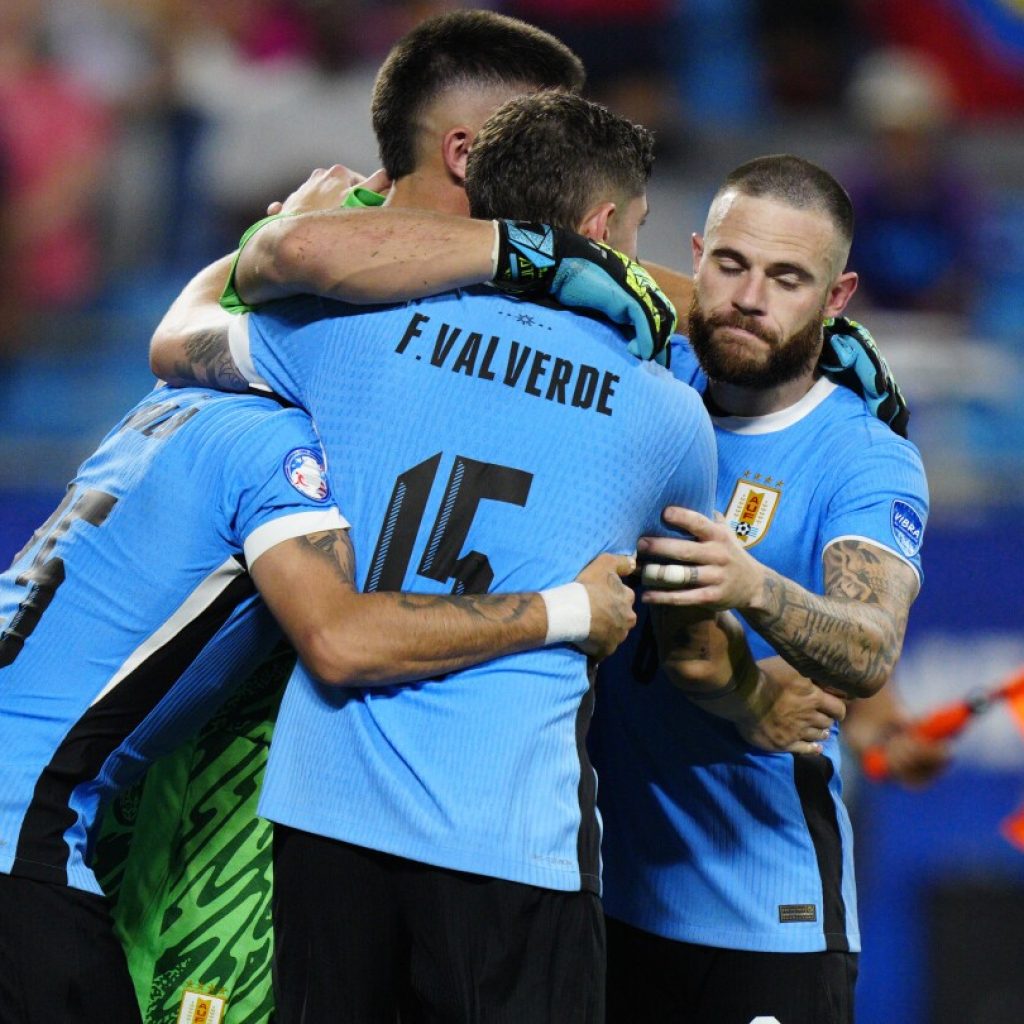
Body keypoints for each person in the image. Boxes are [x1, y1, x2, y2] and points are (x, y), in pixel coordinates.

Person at [153, 86, 786, 1023]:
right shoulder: (665, 415)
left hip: (323, 817)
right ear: (605, 227)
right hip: (509, 837)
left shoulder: (344, 335)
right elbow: (691, 640)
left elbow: (179, 342)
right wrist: (762, 698)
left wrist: (276, 234)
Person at [587, 154, 930, 1024]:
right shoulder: (639, 375)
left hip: (760, 917)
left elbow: (871, 644)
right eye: (731, 265)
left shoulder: (863, 455)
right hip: (594, 893)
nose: (749, 297)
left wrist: (757, 588)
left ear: (837, 298)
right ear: (695, 257)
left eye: (788, 278)